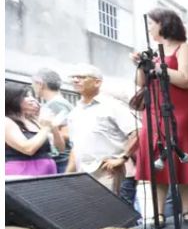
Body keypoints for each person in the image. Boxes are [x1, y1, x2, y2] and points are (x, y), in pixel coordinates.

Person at [132, 8, 188, 225]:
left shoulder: (185, 49)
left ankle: (187, 210)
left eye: (152, 23)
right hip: (154, 111)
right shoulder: (150, 52)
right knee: (158, 158)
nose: (150, 28)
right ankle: (159, 213)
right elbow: (141, 83)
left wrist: (159, 67)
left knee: (183, 154)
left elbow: (187, 79)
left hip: (182, 111)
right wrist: (142, 65)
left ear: (163, 23)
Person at [65, 64, 138, 195]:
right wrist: (67, 175)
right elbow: (75, 147)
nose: (75, 80)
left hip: (107, 171)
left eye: (81, 77)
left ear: (97, 82)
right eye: (74, 77)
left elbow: (137, 131)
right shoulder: (75, 112)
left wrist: (123, 158)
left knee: (110, 212)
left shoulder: (112, 106)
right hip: (82, 173)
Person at [5, 83, 64, 176]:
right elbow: (28, 149)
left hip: (47, 169)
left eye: (32, 96)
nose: (32, 99)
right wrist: (46, 128)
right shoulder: (6, 121)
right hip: (21, 171)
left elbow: (60, 148)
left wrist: (53, 126)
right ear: (12, 99)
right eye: (26, 96)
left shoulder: (34, 121)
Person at [31, 68, 73, 174]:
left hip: (61, 158)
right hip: (60, 157)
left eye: (33, 84)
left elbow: (66, 133)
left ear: (40, 84)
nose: (33, 87)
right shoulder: (55, 103)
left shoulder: (56, 104)